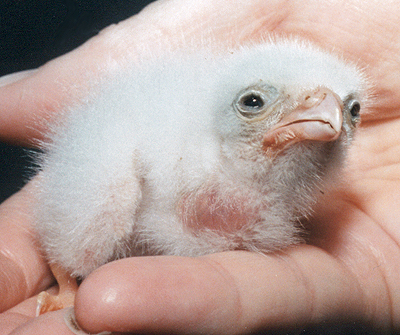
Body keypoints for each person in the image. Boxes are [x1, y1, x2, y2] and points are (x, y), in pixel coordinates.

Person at [1, 0, 400, 333]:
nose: (328, 115)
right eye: (255, 104)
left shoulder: (310, 204)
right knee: (106, 189)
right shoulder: (144, 141)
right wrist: (70, 278)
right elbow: (90, 157)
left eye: (350, 110)